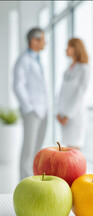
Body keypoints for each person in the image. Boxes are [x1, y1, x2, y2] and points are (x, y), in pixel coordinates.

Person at [13, 27, 48, 180]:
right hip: (33, 111)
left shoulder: (37, 60)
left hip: (43, 110)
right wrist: (29, 108)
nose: (45, 42)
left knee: (37, 149)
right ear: (34, 40)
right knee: (28, 149)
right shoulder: (24, 60)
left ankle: (34, 180)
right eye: (43, 39)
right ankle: (25, 181)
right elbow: (18, 85)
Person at [57, 38, 90, 149]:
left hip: (75, 115)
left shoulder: (84, 69)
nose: (66, 49)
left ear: (76, 48)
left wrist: (68, 114)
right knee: (67, 148)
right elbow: (62, 92)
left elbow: (80, 93)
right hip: (63, 115)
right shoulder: (68, 69)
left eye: (69, 46)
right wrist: (59, 112)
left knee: (75, 149)